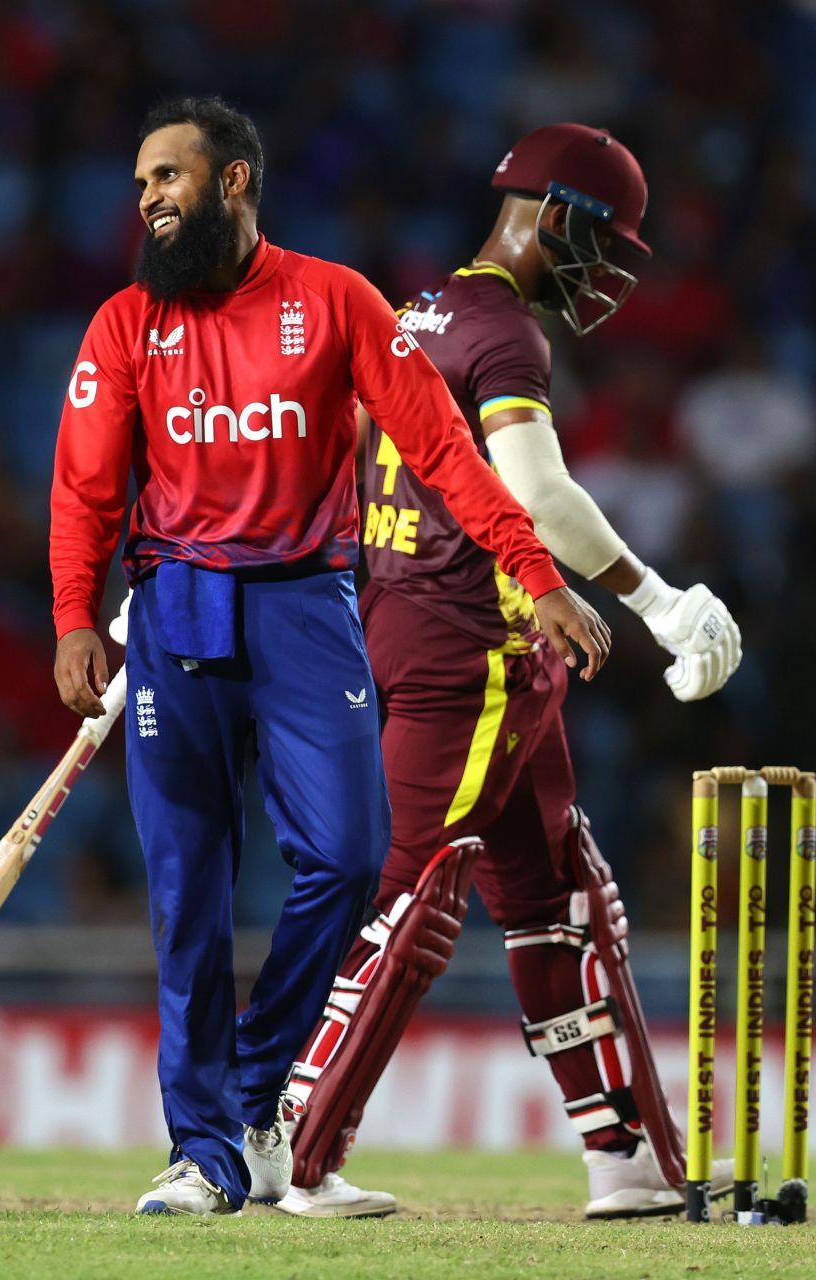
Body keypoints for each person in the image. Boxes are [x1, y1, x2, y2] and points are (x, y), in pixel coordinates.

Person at [48, 97, 612, 1217]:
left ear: (236, 184)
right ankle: (204, 1149)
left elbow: (446, 451)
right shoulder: (123, 324)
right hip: (177, 615)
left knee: (353, 857)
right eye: (140, 183)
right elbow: (84, 486)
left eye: (169, 177)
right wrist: (75, 614)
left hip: (307, 608)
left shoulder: (336, 301)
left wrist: (536, 574)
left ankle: (256, 1092)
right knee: (187, 893)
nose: (150, 198)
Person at [276, 124, 744, 1221]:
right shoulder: (502, 336)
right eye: (605, 242)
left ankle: (626, 1161)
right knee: (405, 889)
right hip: (472, 651)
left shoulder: (414, 313)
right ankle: (294, 1146)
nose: (611, 273)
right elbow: (536, 493)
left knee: (560, 898)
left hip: (408, 627)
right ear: (552, 213)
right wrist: (659, 598)